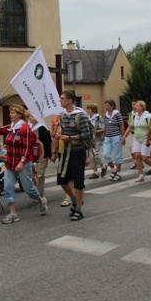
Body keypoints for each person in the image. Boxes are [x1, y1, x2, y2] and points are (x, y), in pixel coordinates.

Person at [0, 105, 48, 223]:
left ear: (20, 115)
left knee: (28, 188)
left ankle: (41, 200)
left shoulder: (24, 128)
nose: (10, 114)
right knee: (8, 187)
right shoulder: (11, 127)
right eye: (10, 112)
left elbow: (26, 147)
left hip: (23, 163)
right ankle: (13, 213)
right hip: (10, 162)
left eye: (13, 113)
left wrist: (21, 163)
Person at [52, 90, 91, 221]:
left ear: (70, 100)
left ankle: (79, 209)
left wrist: (69, 137)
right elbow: (62, 128)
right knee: (61, 179)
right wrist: (59, 133)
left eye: (62, 98)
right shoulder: (62, 115)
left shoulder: (81, 115)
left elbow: (87, 135)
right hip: (66, 152)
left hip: (78, 151)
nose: (60, 100)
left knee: (79, 182)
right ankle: (74, 199)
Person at [122, 100, 151, 182]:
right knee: (137, 156)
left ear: (142, 107)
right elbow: (130, 127)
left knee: (145, 157)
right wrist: (124, 136)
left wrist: (148, 139)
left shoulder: (148, 116)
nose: (135, 107)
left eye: (137, 106)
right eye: (135, 106)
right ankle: (140, 175)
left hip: (145, 138)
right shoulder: (135, 116)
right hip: (136, 138)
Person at [102, 99, 125, 181]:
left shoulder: (117, 114)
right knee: (106, 154)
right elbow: (105, 125)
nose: (106, 107)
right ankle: (113, 169)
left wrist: (123, 137)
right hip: (108, 137)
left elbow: (121, 126)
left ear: (112, 106)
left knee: (117, 155)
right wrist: (104, 134)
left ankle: (118, 173)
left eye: (107, 106)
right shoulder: (106, 115)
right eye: (106, 106)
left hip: (116, 136)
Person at [30, 114, 52, 198]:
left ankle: (40, 194)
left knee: (40, 175)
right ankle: (35, 189)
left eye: (32, 116)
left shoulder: (43, 128)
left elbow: (47, 143)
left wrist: (49, 155)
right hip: (32, 156)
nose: (30, 118)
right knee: (31, 175)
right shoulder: (30, 128)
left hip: (41, 155)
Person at [84, 103, 106, 179]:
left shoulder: (98, 118)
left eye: (89, 109)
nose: (87, 110)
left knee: (95, 154)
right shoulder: (87, 118)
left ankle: (103, 165)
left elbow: (103, 129)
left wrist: (94, 131)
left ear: (93, 109)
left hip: (97, 139)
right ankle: (95, 172)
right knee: (90, 156)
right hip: (90, 140)